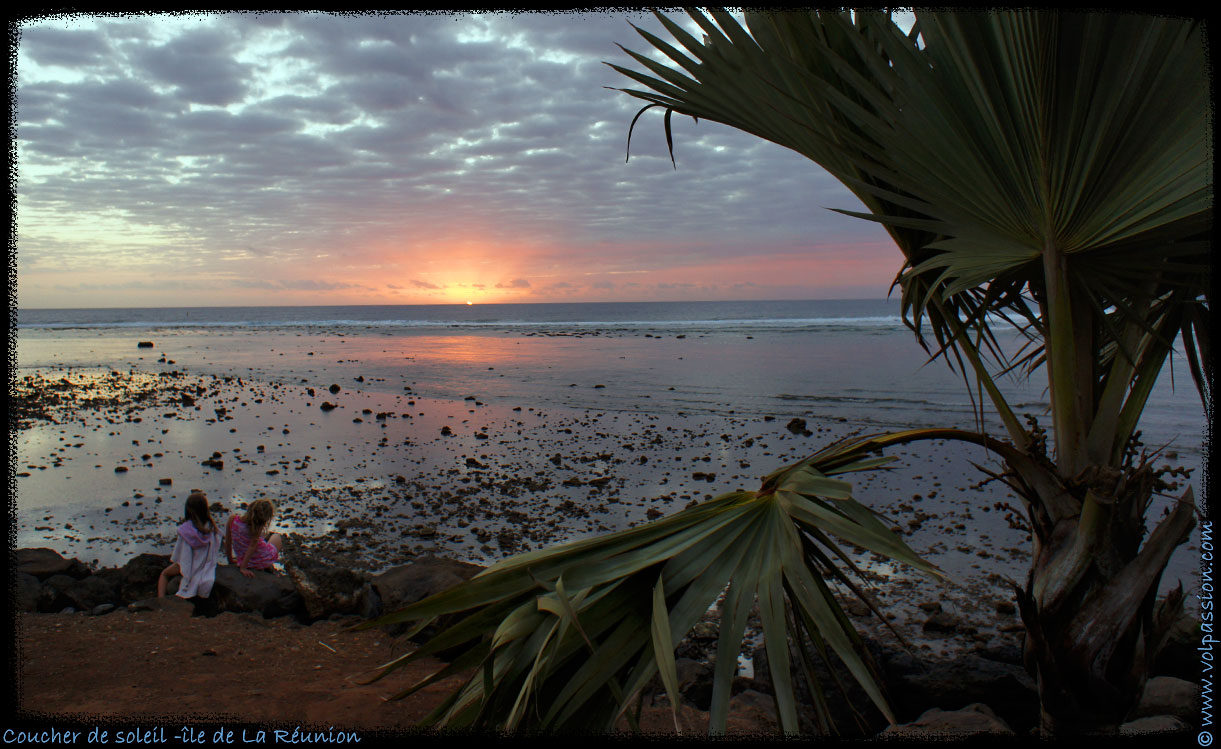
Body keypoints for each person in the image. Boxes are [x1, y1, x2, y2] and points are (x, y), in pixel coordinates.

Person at [158, 491, 223, 598]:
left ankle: (161, 600)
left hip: (189, 565)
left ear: (188, 510)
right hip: (207, 566)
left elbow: (181, 557)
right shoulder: (212, 528)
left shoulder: (185, 530)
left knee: (164, 574)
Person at [224, 498, 283, 577]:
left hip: (242, 558)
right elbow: (251, 547)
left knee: (262, 541)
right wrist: (243, 568)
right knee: (277, 537)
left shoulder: (232, 519)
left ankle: (265, 564)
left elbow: (228, 541)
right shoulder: (255, 529)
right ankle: (266, 564)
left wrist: (230, 560)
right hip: (256, 560)